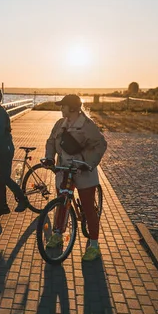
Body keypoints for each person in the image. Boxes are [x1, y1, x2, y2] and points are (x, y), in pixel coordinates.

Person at [42, 94, 107, 261]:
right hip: (64, 170)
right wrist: (49, 157)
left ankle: (94, 245)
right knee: (61, 203)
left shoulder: (87, 126)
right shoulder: (59, 124)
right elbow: (50, 142)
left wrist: (88, 163)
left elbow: (101, 144)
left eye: (63, 106)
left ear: (71, 108)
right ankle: (58, 233)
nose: (60, 109)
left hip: (83, 171)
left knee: (88, 208)